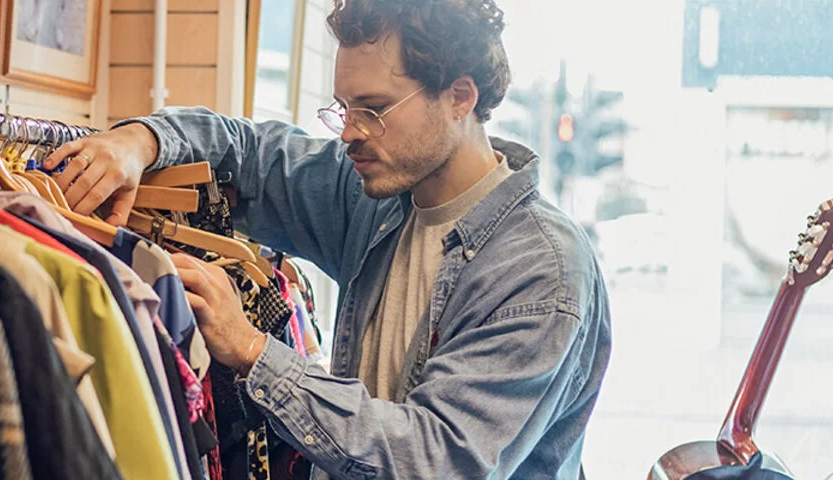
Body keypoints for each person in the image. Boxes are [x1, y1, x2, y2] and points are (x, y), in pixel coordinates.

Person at [42, 0, 612, 477]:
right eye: (344, 107)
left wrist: (254, 352)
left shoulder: (542, 270)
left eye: (375, 109)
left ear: (460, 97)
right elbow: (248, 152)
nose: (350, 132)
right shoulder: (380, 195)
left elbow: (436, 460)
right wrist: (140, 141)